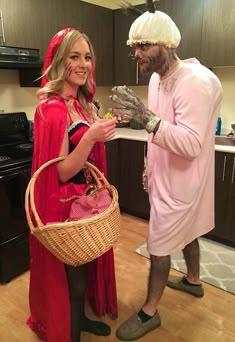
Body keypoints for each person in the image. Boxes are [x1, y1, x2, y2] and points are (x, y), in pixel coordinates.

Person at [111, 2, 223, 340]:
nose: (137, 55)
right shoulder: (159, 79)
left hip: (182, 185)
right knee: (190, 233)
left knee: (158, 248)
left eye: (144, 46)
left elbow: (189, 143)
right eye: (134, 48)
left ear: (167, 44)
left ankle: (149, 312)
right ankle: (193, 281)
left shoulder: (195, 82)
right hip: (165, 177)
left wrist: (147, 119)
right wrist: (143, 135)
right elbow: (158, 129)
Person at [27, 28, 117, 342]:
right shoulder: (52, 108)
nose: (83, 64)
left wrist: (98, 131)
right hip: (65, 207)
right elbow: (62, 172)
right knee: (74, 280)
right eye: (74, 57)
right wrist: (91, 136)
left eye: (87, 57)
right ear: (58, 61)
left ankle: (78, 320)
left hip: (85, 204)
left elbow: (84, 153)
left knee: (84, 271)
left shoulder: (78, 104)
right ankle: (70, 332)